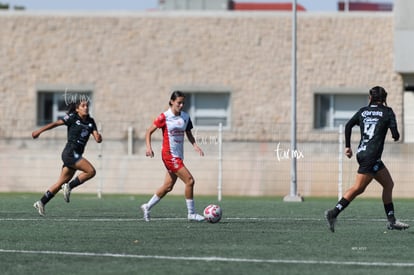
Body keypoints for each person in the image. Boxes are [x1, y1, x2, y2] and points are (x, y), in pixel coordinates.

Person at [325, 86, 409, 232]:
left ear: (371, 98)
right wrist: (393, 133)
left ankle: (391, 221)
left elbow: (348, 125)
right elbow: (396, 135)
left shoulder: (363, 111)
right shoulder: (387, 112)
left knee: (388, 184)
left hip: (364, 153)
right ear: (384, 99)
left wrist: (347, 146)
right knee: (358, 188)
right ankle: (333, 213)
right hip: (371, 157)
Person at [141, 91, 205, 222]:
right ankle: (191, 213)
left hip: (178, 156)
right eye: (178, 103)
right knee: (190, 181)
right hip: (169, 155)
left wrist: (195, 145)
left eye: (183, 103)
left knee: (168, 186)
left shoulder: (185, 117)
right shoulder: (164, 116)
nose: (181, 105)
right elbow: (149, 132)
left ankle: (147, 206)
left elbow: (188, 133)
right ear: (171, 102)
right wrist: (149, 147)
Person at [32, 98, 102, 216]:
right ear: (77, 109)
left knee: (60, 183)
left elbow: (97, 138)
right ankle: (69, 186)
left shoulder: (91, 121)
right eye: (83, 106)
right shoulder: (72, 118)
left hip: (76, 155)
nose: (86, 107)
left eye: (87, 105)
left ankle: (41, 202)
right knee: (91, 171)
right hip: (70, 153)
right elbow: (55, 124)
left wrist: (99, 137)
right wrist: (39, 131)